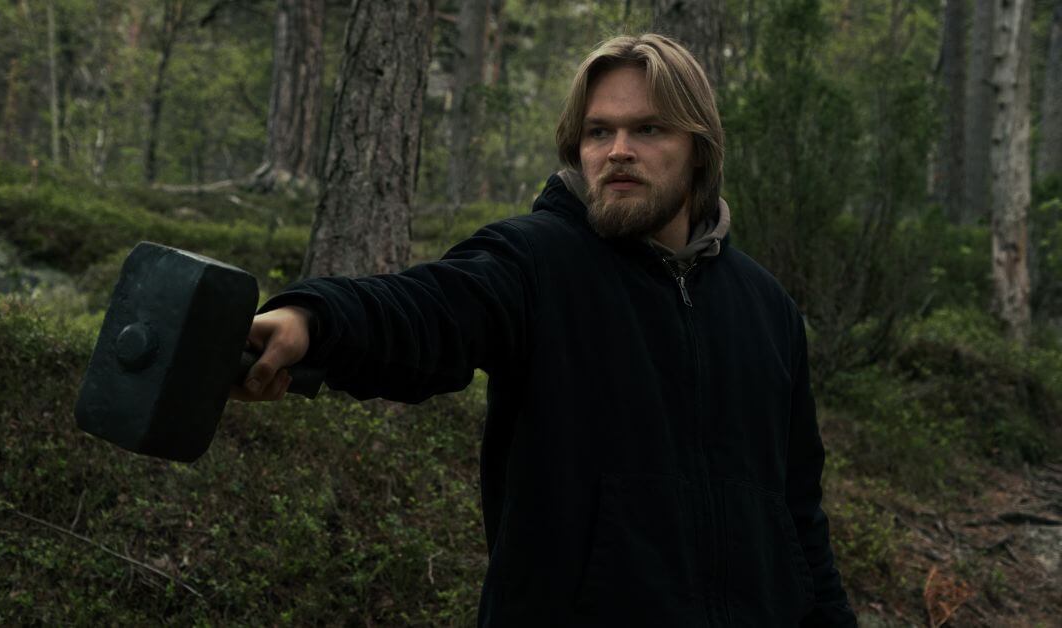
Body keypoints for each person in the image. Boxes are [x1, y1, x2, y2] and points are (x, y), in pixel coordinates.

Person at [232, 33, 857, 627]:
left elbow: (799, 517)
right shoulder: (535, 262)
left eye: (648, 128)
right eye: (598, 131)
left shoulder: (767, 309)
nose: (618, 150)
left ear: (699, 147)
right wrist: (312, 318)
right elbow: (427, 309)